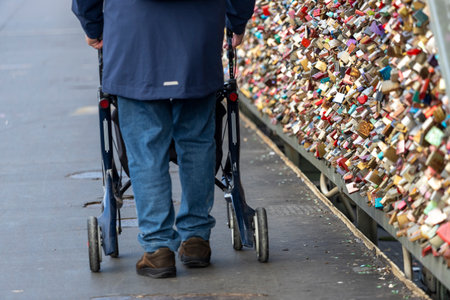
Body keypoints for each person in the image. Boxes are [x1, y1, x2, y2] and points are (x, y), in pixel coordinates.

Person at [72, 0, 255, 278]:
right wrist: (236, 21)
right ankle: (195, 238)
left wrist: (93, 26)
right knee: (197, 140)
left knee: (145, 148)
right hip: (197, 36)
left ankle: (157, 247)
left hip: (133, 36)